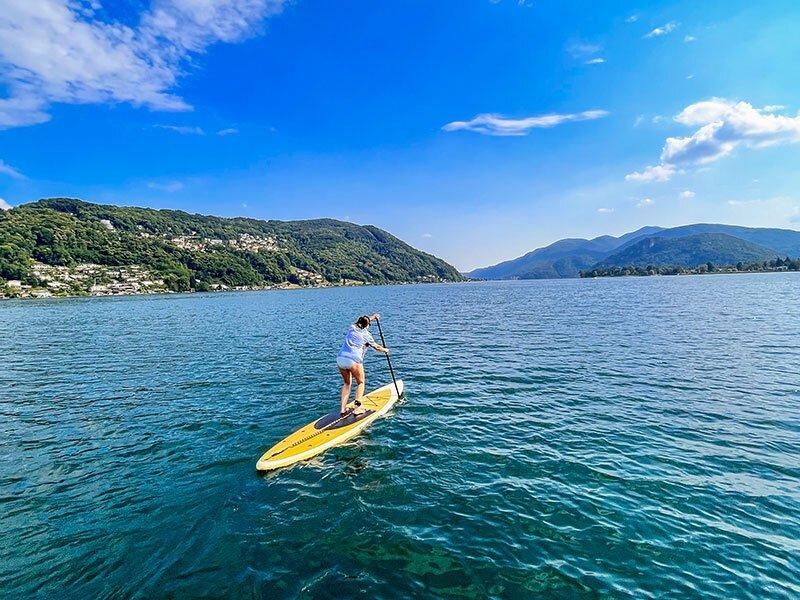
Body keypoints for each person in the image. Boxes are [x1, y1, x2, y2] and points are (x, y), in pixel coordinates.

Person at [336, 313, 389, 415]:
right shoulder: (367, 336)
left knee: (347, 383)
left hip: (340, 359)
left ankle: (342, 409)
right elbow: (377, 347)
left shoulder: (352, 328)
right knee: (360, 382)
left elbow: (365, 320)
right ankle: (357, 409)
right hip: (353, 360)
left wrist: (373, 317)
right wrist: (385, 350)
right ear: (367, 325)